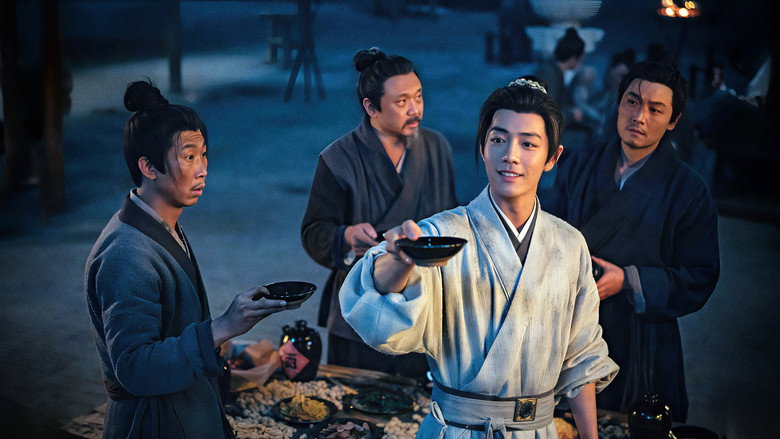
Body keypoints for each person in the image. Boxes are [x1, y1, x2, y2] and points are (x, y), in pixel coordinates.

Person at [339, 76, 618, 438]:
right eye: (498, 139)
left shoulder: (569, 244)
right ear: (483, 148)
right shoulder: (442, 235)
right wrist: (400, 258)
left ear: (552, 157)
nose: (510, 155)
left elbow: (581, 359)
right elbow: (377, 304)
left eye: (528, 144)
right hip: (460, 430)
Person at [85, 80, 295, 438]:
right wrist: (223, 327)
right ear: (149, 167)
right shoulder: (126, 254)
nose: (202, 169)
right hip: (152, 423)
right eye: (188, 157)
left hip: (185, 408)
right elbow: (134, 367)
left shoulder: (163, 225)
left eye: (203, 154)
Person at [544, 61, 720, 421]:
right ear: (619, 102)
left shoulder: (689, 190)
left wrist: (629, 279)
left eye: (656, 109)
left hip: (640, 335)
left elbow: (701, 275)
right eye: (632, 101)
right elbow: (548, 233)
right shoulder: (580, 165)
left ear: (673, 121)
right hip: (570, 322)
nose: (639, 116)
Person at [300, 48, 457, 379]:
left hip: (422, 303)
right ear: (371, 107)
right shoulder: (338, 158)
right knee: (357, 402)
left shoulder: (436, 147)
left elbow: (451, 217)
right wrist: (345, 236)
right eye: (401, 102)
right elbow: (314, 231)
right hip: (362, 305)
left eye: (418, 97)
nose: (415, 109)